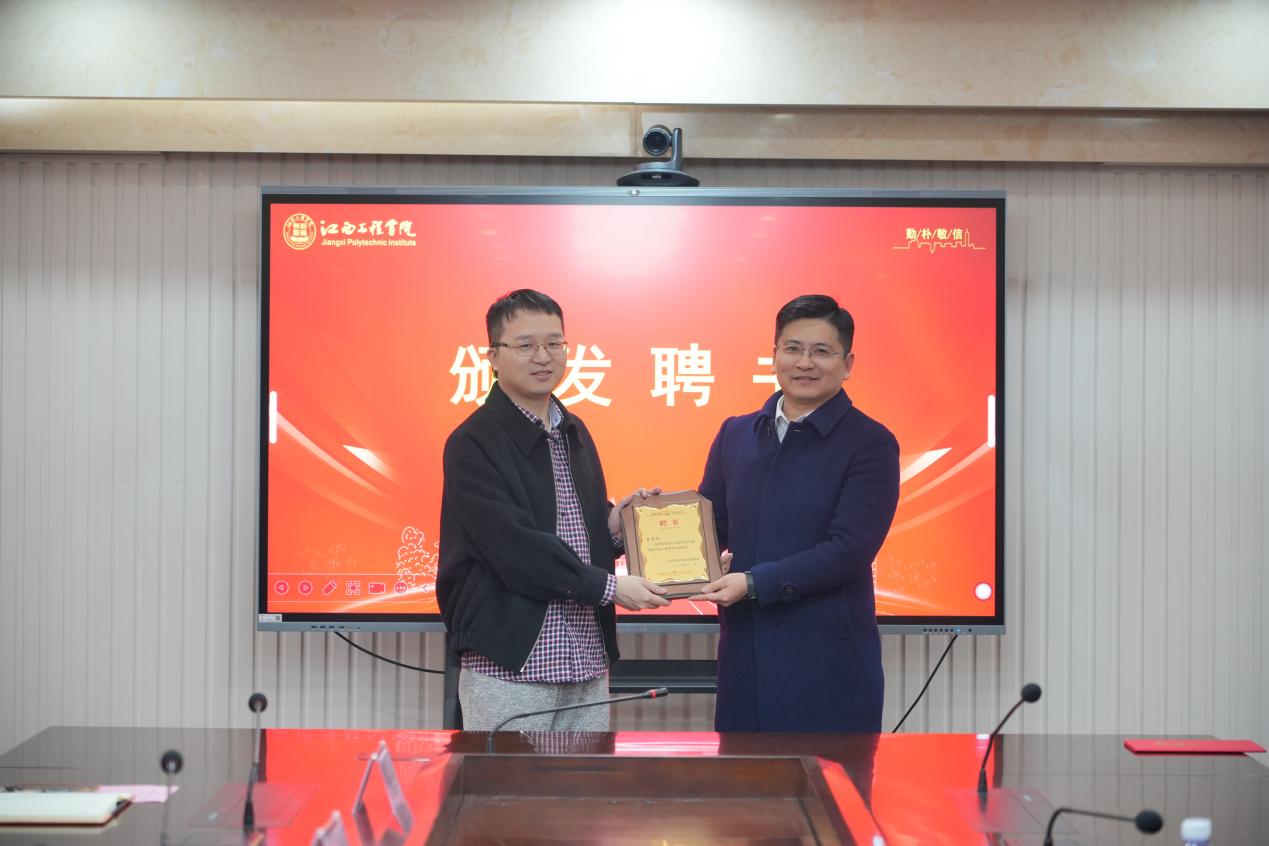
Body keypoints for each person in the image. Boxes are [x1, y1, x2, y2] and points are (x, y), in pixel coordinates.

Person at [437, 289, 670, 731]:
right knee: (507, 779)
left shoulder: (573, 429)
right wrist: (609, 588)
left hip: (586, 659)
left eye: (554, 343)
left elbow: (571, 525)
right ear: (493, 356)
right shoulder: (472, 442)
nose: (543, 357)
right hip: (511, 665)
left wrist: (615, 526)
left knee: (584, 779)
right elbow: (514, 547)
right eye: (525, 345)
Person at [697, 294, 900, 732]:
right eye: (792, 348)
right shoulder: (735, 434)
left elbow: (850, 549)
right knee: (743, 774)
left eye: (821, 351)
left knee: (828, 777)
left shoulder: (871, 443)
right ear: (774, 356)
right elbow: (710, 530)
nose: (805, 363)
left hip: (828, 666)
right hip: (744, 661)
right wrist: (653, 528)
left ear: (847, 364)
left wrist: (754, 583)